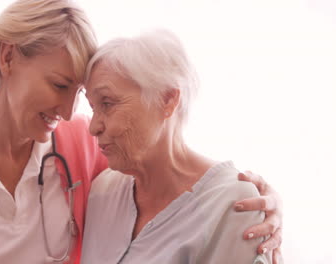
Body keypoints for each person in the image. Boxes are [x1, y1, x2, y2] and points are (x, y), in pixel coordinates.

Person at [0, 1, 282, 263]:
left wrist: (257, 195)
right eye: (59, 86)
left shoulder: (83, 146)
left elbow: (163, 167)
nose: (67, 112)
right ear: (8, 58)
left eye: (80, 95)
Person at [80, 30, 281, 263]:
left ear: (167, 100)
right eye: (93, 107)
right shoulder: (101, 191)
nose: (93, 127)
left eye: (107, 103)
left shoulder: (234, 203)